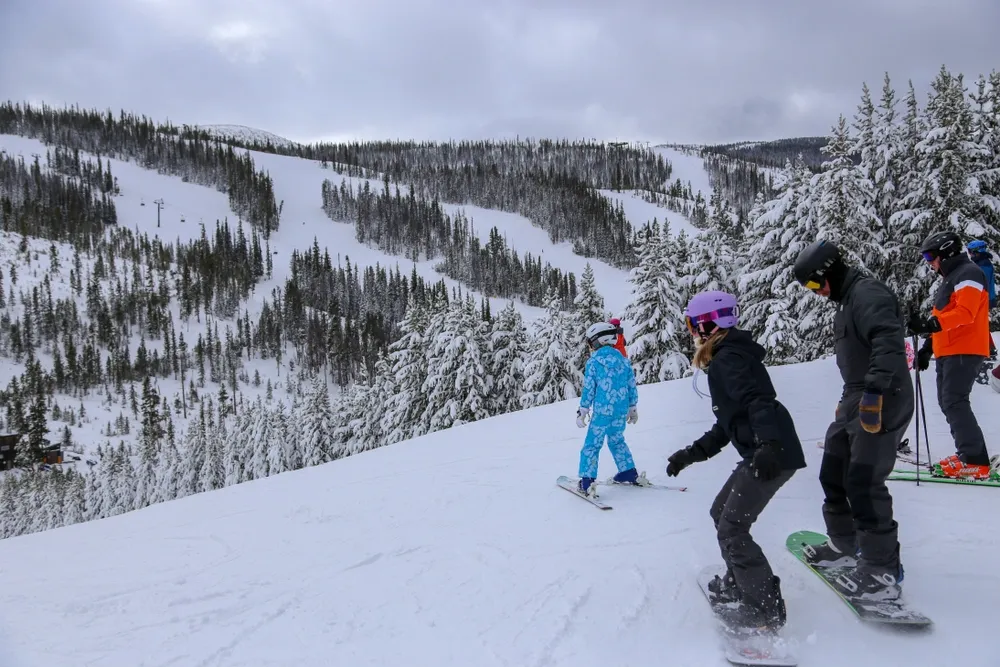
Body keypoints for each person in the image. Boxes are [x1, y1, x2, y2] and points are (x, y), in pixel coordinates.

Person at [665, 290, 805, 629]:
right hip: (764, 449)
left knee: (732, 528)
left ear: (706, 325)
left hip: (771, 453)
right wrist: (689, 455)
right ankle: (740, 582)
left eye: (692, 324)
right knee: (721, 513)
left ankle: (763, 608)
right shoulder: (728, 356)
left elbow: (758, 400)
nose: (691, 331)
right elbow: (727, 425)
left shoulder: (728, 359)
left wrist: (769, 445)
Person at [792, 239, 912, 601]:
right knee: (834, 472)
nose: (815, 293)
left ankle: (881, 571)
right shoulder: (847, 301)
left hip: (883, 398)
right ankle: (845, 545)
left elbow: (888, 342)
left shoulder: (867, 293)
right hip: (856, 399)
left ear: (827, 272)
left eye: (814, 284)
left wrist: (874, 393)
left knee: (864, 481)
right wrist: (850, 401)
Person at [907, 230, 992, 479]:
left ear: (947, 252)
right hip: (950, 349)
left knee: (954, 401)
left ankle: (975, 461)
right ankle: (969, 455)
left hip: (965, 348)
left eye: (930, 255)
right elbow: (945, 317)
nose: (928, 262)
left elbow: (966, 312)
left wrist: (930, 326)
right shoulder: (953, 277)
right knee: (948, 402)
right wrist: (928, 347)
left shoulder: (969, 273)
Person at [575, 321, 642, 495]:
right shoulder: (623, 361)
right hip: (620, 412)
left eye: (591, 343)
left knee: (592, 445)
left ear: (598, 341)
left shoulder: (594, 362)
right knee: (617, 441)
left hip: (602, 413)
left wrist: (583, 410)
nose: (590, 347)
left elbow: (589, 388)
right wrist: (632, 407)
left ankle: (587, 481)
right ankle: (628, 471)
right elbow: (631, 386)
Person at [967, 239, 997, 359]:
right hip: (984, 299)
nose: (970, 255)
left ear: (978, 252)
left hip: (983, 300)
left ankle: (988, 349)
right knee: (978, 324)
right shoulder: (981, 264)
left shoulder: (983, 266)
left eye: (971, 252)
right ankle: (988, 348)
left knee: (978, 324)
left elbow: (980, 284)